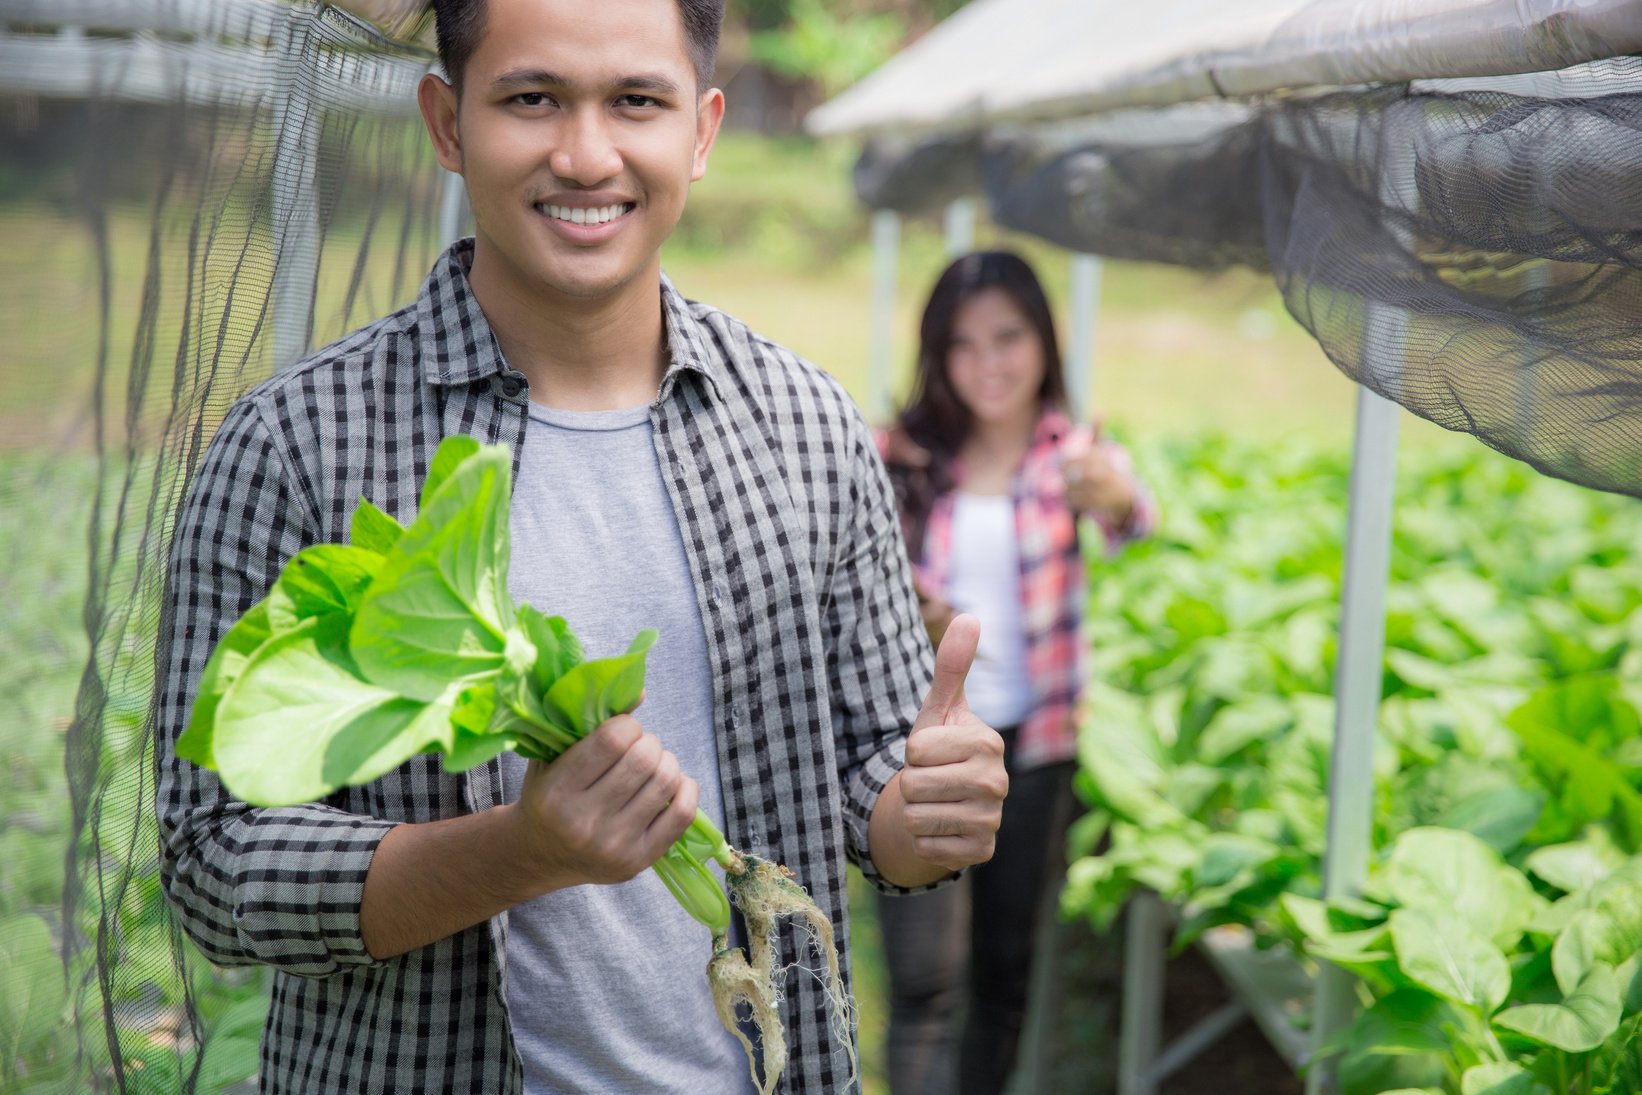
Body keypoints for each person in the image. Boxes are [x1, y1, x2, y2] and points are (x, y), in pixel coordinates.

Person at [154, 1, 1008, 1092]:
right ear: (448, 121)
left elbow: (873, 784)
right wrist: (521, 850)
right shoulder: (297, 443)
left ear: (700, 131)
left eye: (636, 103)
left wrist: (922, 813)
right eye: (531, 98)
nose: (586, 154)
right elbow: (211, 860)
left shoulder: (804, 424)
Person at [874, 250, 1155, 1095]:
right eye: (963, 345)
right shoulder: (902, 456)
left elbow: (1134, 514)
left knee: (1005, 972)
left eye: (1008, 338)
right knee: (926, 983)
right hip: (919, 751)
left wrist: (1110, 493)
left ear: (1043, 342)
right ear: (936, 355)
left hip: (1034, 752)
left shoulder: (1071, 458)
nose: (987, 364)